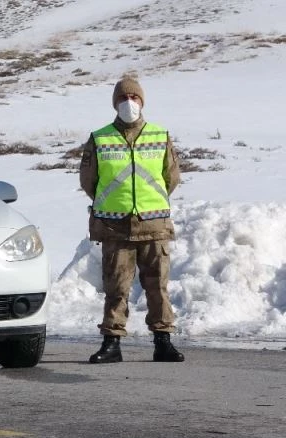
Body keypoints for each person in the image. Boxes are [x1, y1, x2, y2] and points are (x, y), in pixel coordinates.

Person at [79, 76, 184, 363]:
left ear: (142, 102)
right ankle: (112, 342)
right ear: (115, 103)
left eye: (134, 98)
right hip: (116, 226)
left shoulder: (160, 136)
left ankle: (163, 342)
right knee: (116, 287)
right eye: (123, 98)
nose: (129, 103)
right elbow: (89, 181)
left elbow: (171, 178)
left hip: (154, 226)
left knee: (158, 287)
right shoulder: (99, 138)